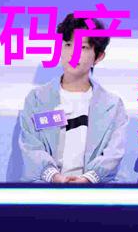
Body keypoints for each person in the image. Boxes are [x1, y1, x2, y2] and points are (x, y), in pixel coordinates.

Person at [19, 13, 129, 183]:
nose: (73, 53)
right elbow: (31, 146)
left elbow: (113, 152)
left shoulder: (113, 105)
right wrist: (55, 177)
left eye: (83, 47)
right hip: (46, 187)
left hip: (96, 190)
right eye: (68, 44)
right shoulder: (37, 99)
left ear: (99, 56)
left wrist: (87, 180)